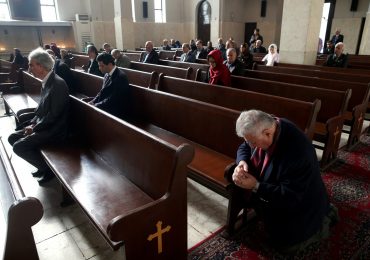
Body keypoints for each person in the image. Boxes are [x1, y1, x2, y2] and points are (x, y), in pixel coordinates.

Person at [232, 110, 338, 254]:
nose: (251, 146)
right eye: (249, 141)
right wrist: (241, 162)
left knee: (286, 245)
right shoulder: (270, 126)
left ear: (268, 133)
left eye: (254, 143)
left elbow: (290, 195)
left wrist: (255, 186)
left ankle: (324, 218)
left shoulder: (298, 153)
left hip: (300, 202)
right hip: (284, 189)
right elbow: (245, 146)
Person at [8, 48, 70, 185]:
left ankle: (48, 169)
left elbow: (54, 116)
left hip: (55, 130)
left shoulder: (57, 84)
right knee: (12, 137)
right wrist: (32, 124)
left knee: (19, 147)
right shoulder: (47, 82)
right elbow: (41, 110)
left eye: (31, 64)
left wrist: (35, 127)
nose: (29, 68)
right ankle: (41, 165)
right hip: (45, 126)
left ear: (41, 66)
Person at [88, 53, 130, 118]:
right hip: (107, 105)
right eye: (99, 66)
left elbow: (113, 99)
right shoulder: (107, 74)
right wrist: (93, 101)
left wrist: (96, 105)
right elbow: (102, 92)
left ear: (110, 64)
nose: (99, 68)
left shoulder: (120, 77)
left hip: (116, 110)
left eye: (102, 66)